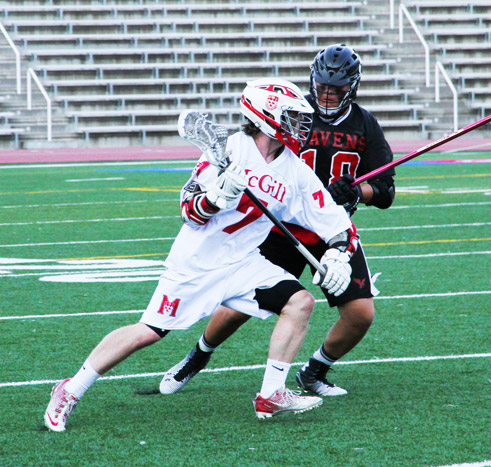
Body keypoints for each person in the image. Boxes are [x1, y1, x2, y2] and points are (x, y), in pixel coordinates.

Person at [44, 77, 360, 432]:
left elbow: (334, 220)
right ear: (267, 113)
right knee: (148, 332)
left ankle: (272, 394)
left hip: (243, 261)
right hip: (197, 261)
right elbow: (189, 211)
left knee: (300, 302)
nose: (301, 125)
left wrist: (338, 254)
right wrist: (215, 198)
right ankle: (69, 389)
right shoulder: (227, 150)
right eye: (292, 116)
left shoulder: (295, 170)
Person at [159, 44, 395, 397]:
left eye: (337, 89)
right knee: (239, 304)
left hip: (331, 231)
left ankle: (314, 371)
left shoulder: (366, 125)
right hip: (279, 224)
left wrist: (357, 193)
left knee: (360, 313)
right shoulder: (294, 113)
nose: (328, 96)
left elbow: (386, 190)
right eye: (323, 88)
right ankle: (196, 357)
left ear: (353, 87)